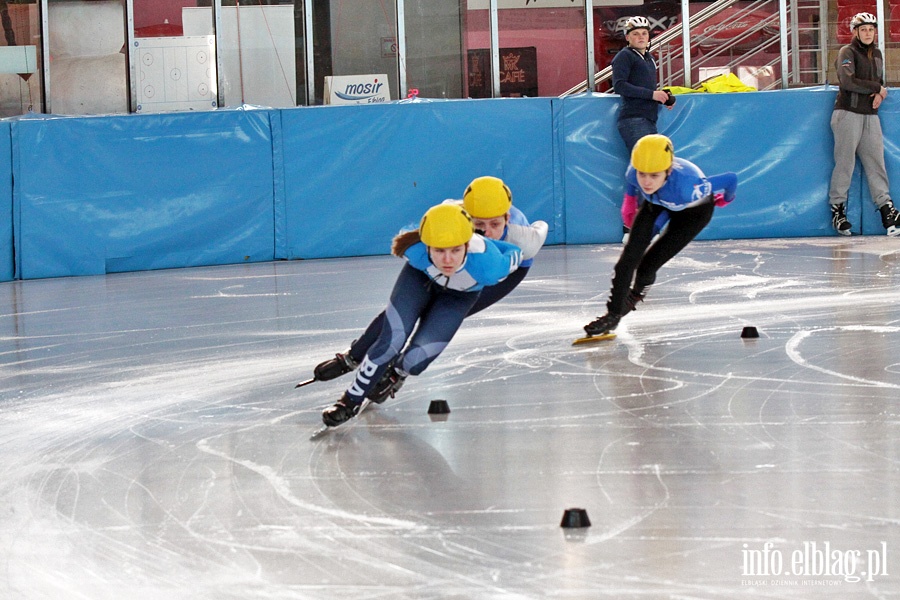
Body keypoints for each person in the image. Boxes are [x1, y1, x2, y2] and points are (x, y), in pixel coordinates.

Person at [310, 176, 547, 388]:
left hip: (501, 270)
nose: (487, 232)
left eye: (495, 224)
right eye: (478, 225)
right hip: (455, 254)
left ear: (507, 219)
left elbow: (541, 228)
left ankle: (397, 373)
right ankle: (354, 356)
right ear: (467, 216)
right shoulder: (451, 213)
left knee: (440, 316)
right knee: (404, 313)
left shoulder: (524, 240)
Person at [319, 203, 523, 428]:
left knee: (416, 360)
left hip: (457, 299)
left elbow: (516, 253)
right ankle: (349, 401)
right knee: (392, 339)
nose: (447, 260)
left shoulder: (489, 265)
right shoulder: (414, 250)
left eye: (455, 250)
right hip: (418, 280)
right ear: (426, 247)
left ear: (467, 244)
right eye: (438, 250)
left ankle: (396, 373)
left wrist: (495, 243)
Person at [583, 134, 737, 337]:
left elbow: (731, 179)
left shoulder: (688, 188)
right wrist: (629, 201)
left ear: (668, 171)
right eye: (642, 174)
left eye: (654, 175)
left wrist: (725, 199)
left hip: (693, 213)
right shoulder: (634, 172)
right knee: (628, 260)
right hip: (657, 203)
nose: (646, 182)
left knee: (647, 265)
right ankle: (612, 316)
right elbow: (633, 182)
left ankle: (635, 295)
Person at [829, 12, 899, 237]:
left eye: (871, 29)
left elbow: (876, 81)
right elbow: (848, 81)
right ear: (855, 31)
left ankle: (887, 210)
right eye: (863, 29)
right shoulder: (846, 52)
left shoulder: (877, 54)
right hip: (847, 114)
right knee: (845, 163)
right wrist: (876, 88)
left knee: (876, 163)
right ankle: (837, 210)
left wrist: (879, 92)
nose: (868, 33)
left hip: (870, 115)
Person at [611, 16, 676, 242]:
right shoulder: (624, 56)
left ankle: (646, 226)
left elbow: (647, 88)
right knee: (645, 170)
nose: (641, 37)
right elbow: (619, 85)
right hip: (633, 120)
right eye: (636, 34)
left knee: (651, 171)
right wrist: (651, 95)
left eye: (644, 34)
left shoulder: (649, 58)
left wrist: (663, 97)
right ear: (627, 37)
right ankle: (631, 228)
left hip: (648, 119)